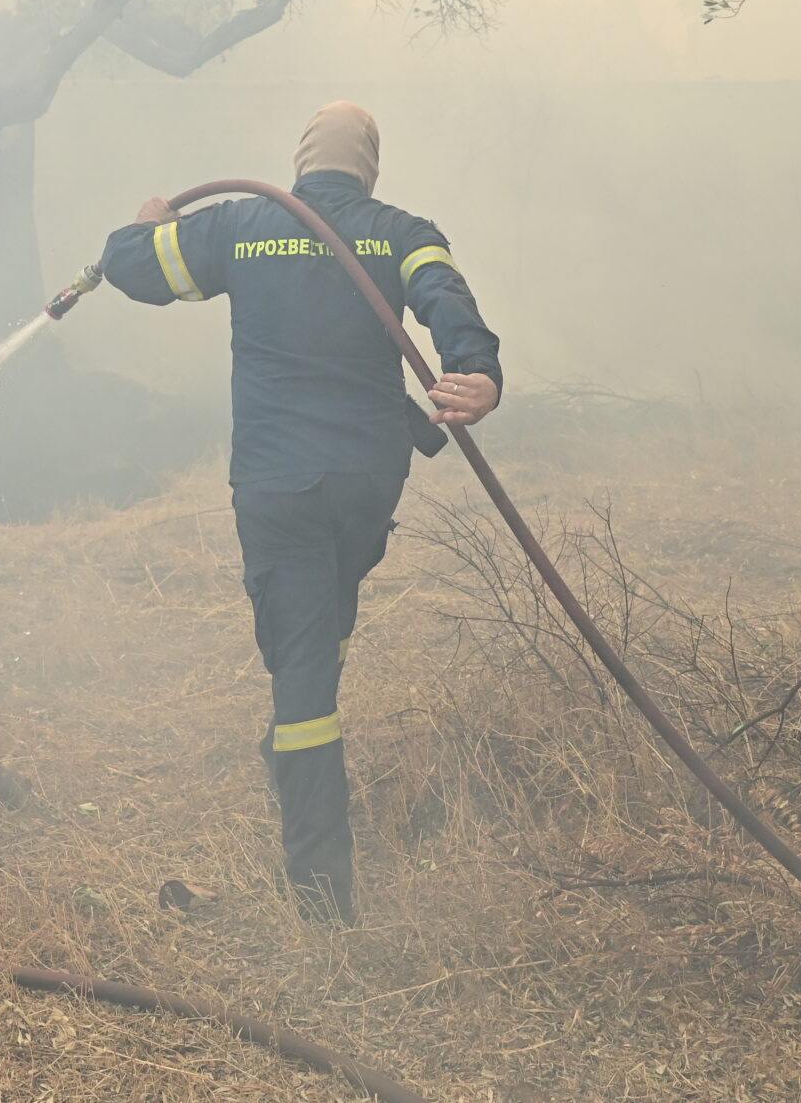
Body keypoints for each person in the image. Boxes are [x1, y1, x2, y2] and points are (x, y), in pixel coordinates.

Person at [98, 102, 502, 924]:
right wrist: (478, 370)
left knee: (303, 674)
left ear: (300, 161)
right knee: (321, 623)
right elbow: (442, 295)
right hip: (366, 481)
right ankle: (290, 753)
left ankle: (321, 892)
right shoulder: (401, 230)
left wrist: (144, 226)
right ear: (371, 167)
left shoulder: (244, 224)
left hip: (277, 485)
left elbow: (132, 269)